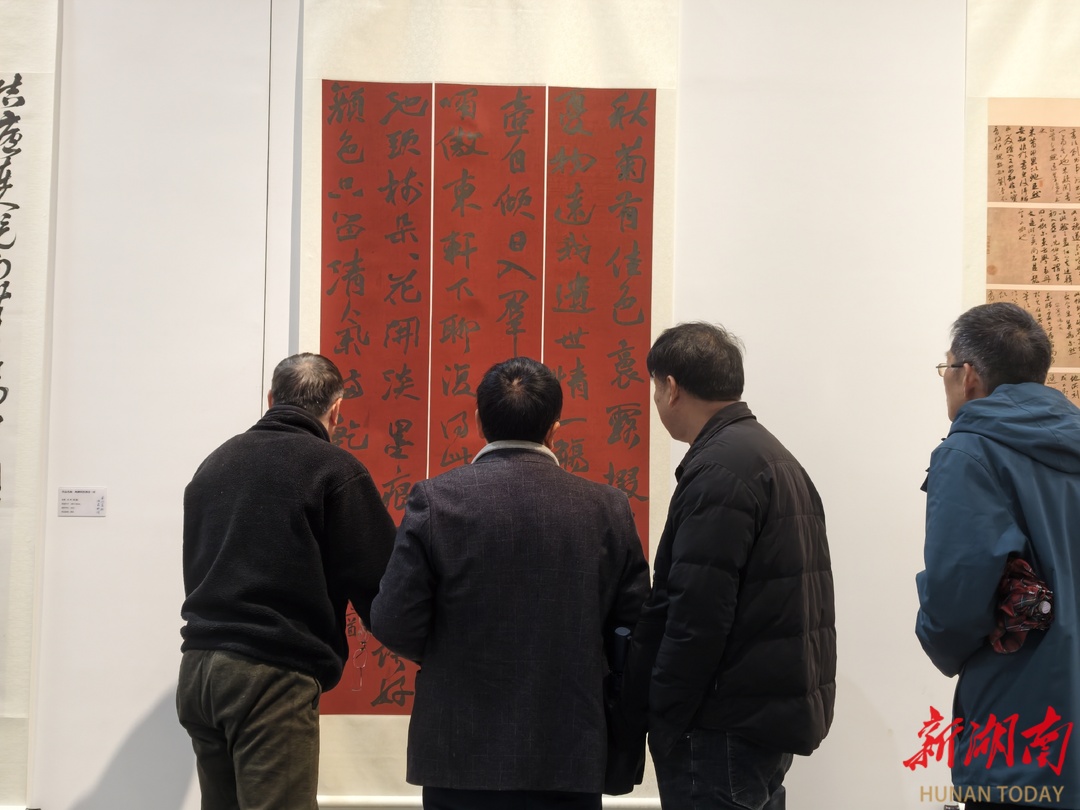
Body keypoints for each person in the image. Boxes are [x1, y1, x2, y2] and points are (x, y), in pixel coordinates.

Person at [370, 356, 650, 810]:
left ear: (479, 421)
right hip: (570, 750)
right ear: (554, 429)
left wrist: (446, 651)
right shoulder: (607, 508)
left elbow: (393, 621)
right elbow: (635, 628)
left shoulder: (436, 501)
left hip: (459, 752)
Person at [626, 321, 835, 810]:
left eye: (654, 389)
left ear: (671, 388)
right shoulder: (770, 455)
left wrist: (664, 714)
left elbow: (696, 614)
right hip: (759, 723)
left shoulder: (719, 471)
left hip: (720, 729)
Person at [177, 353, 396, 810]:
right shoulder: (333, 469)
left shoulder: (214, 463)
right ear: (337, 409)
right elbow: (382, 584)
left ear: (272, 398)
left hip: (198, 671)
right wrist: (425, 639)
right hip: (269, 675)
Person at [916, 302, 1080, 809]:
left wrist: (939, 642)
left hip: (1022, 730)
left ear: (968, 376)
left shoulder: (969, 454)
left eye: (945, 367)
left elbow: (955, 601)